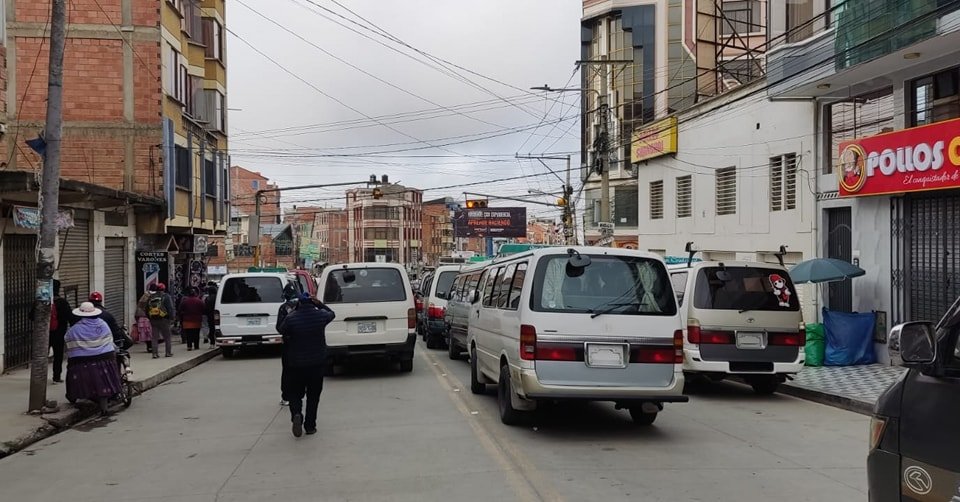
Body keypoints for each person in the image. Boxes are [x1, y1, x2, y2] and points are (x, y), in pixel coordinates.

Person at [278, 293, 335, 437]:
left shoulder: (291, 318)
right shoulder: (320, 316)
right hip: (317, 364)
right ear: (311, 302)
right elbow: (332, 313)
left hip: (296, 364)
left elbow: (281, 329)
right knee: (313, 396)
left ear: (299, 303)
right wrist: (319, 304)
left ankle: (296, 414)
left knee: (295, 394)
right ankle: (310, 426)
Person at [64, 302, 123, 416]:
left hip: (81, 360)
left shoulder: (75, 329)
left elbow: (68, 341)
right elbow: (109, 339)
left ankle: (72, 395)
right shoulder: (103, 324)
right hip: (105, 357)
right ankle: (106, 402)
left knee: (71, 369)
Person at [30, 279, 74, 383]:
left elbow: (31, 316)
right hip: (59, 334)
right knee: (58, 355)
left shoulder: (40, 302)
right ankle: (56, 377)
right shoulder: (62, 302)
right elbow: (70, 317)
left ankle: (40, 377)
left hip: (43, 334)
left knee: (41, 355)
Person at [275, 286, 300, 407]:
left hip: (289, 344)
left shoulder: (284, 307)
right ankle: (300, 393)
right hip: (303, 343)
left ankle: (286, 397)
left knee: (287, 371)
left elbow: (279, 327)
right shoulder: (303, 305)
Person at [146, 283, 176, 359]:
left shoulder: (151, 297)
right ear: (164, 289)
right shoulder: (166, 296)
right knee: (167, 337)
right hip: (164, 319)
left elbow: (146, 309)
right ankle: (168, 353)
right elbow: (170, 308)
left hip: (153, 320)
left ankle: (154, 354)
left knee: (154, 337)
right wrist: (172, 317)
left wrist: (150, 318)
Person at [178, 287, 206, 351]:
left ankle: (189, 346)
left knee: (188, 334)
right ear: (195, 294)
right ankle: (196, 346)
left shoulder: (184, 301)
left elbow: (180, 310)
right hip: (197, 320)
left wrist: (181, 318)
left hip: (187, 320)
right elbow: (204, 309)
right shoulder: (199, 301)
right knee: (196, 333)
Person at [203, 282, 218, 348]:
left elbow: (205, 308)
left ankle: (212, 343)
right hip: (217, 315)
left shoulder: (207, 298)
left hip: (210, 316)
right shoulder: (217, 298)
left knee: (211, 329)